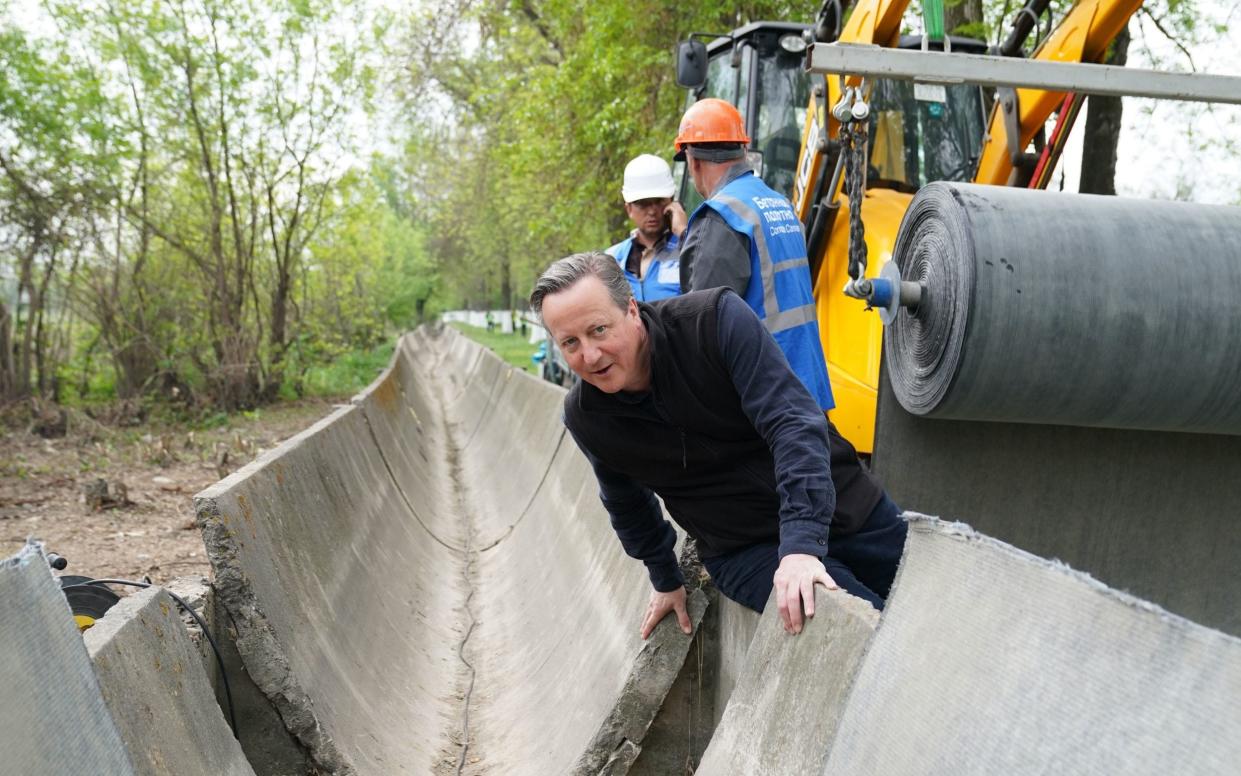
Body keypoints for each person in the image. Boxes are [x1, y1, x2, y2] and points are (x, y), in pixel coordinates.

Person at [530, 253, 906, 640]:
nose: (590, 356)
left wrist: (801, 543)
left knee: (937, 623)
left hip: (844, 505)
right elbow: (625, 502)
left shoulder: (713, 321)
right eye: (570, 343)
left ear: (631, 310)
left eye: (599, 330)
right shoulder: (587, 416)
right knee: (863, 638)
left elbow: (792, 424)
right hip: (746, 550)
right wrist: (665, 578)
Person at [605, 154, 687, 302]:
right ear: (629, 209)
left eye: (659, 201)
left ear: (672, 202)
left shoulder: (689, 248)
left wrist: (683, 232)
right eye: (643, 203)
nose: (652, 211)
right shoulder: (612, 259)